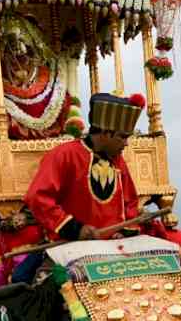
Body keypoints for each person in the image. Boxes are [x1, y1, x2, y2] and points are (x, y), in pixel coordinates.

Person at [25, 92, 146, 241]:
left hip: (115, 247)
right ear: (105, 133)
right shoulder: (64, 155)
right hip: (70, 246)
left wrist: (124, 232)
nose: (126, 143)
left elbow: (130, 202)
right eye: (122, 137)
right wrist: (75, 229)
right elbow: (37, 198)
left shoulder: (117, 160)